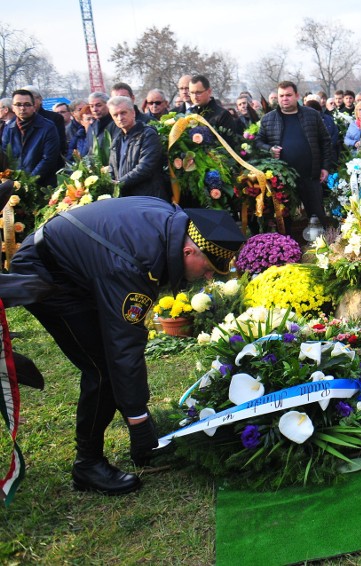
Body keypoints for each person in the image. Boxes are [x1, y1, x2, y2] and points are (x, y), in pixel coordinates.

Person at [0, 197, 245, 495]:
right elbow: (124, 346)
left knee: (108, 359)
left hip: (79, 265)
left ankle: (127, 442)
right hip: (49, 275)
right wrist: (138, 420)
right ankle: (87, 465)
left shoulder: (173, 225)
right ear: (188, 249)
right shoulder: (134, 265)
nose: (208, 277)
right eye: (208, 268)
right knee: (101, 367)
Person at [257, 80, 332, 225]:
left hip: (311, 175)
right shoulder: (268, 119)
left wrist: (325, 167)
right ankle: (288, 245)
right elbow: (258, 142)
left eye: (288, 95)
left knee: (317, 217)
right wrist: (269, 150)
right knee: (285, 220)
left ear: (297, 95)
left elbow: (325, 141)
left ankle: (322, 244)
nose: (284, 98)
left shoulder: (312, 115)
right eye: (281, 95)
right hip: (282, 180)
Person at [107, 96, 168, 199]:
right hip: (125, 198)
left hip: (147, 198)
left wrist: (118, 183)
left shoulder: (148, 134)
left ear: (133, 113)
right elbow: (112, 168)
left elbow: (145, 168)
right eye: (115, 115)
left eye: (123, 113)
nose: (120, 118)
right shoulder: (117, 139)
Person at [1, 89, 61, 187]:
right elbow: (5, 155)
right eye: (18, 104)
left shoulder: (48, 127)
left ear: (34, 107)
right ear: (13, 107)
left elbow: (48, 158)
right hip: (16, 184)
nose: (22, 108)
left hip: (43, 184)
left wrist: (29, 181)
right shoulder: (9, 128)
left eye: (27, 104)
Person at [188, 74, 244, 144]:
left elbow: (230, 144)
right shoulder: (190, 113)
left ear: (209, 91)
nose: (194, 97)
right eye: (192, 93)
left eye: (198, 93)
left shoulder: (223, 115)